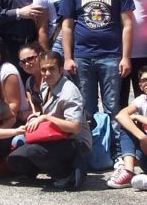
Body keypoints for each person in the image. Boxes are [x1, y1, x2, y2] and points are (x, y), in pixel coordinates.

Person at [59, 0, 135, 155]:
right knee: (86, 107)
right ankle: (89, 150)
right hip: (82, 55)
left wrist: (126, 57)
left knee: (112, 106)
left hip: (110, 56)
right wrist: (67, 57)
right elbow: (67, 25)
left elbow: (127, 24)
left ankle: (118, 151)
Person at [6, 51, 92, 191]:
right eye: (43, 69)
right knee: (14, 160)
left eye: (51, 69)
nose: (47, 73)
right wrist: (35, 117)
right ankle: (49, 168)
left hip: (76, 142)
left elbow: (75, 127)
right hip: (53, 137)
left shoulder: (70, 92)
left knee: (34, 151)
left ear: (60, 69)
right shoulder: (46, 85)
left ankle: (65, 174)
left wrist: (46, 118)